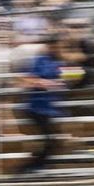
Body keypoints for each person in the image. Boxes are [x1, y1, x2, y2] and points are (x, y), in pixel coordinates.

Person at [20, 37, 64, 173]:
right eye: (53, 46)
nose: (55, 49)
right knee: (50, 139)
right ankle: (33, 166)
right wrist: (48, 83)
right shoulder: (40, 60)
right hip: (37, 107)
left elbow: (63, 79)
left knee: (52, 139)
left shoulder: (58, 61)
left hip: (50, 107)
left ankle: (36, 165)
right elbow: (28, 80)